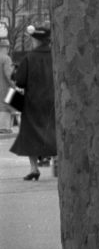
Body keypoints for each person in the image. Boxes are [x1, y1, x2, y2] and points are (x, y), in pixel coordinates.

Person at [9, 23, 57, 180]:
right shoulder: (56, 56)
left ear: (36, 40)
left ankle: (34, 168)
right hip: (54, 100)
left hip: (33, 102)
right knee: (55, 132)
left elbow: (20, 81)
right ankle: (58, 163)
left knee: (31, 134)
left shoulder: (29, 58)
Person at [0, 39, 16, 134]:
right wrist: (15, 85)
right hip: (4, 88)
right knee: (5, 106)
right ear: (6, 48)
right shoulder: (6, 59)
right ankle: (4, 127)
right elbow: (9, 75)